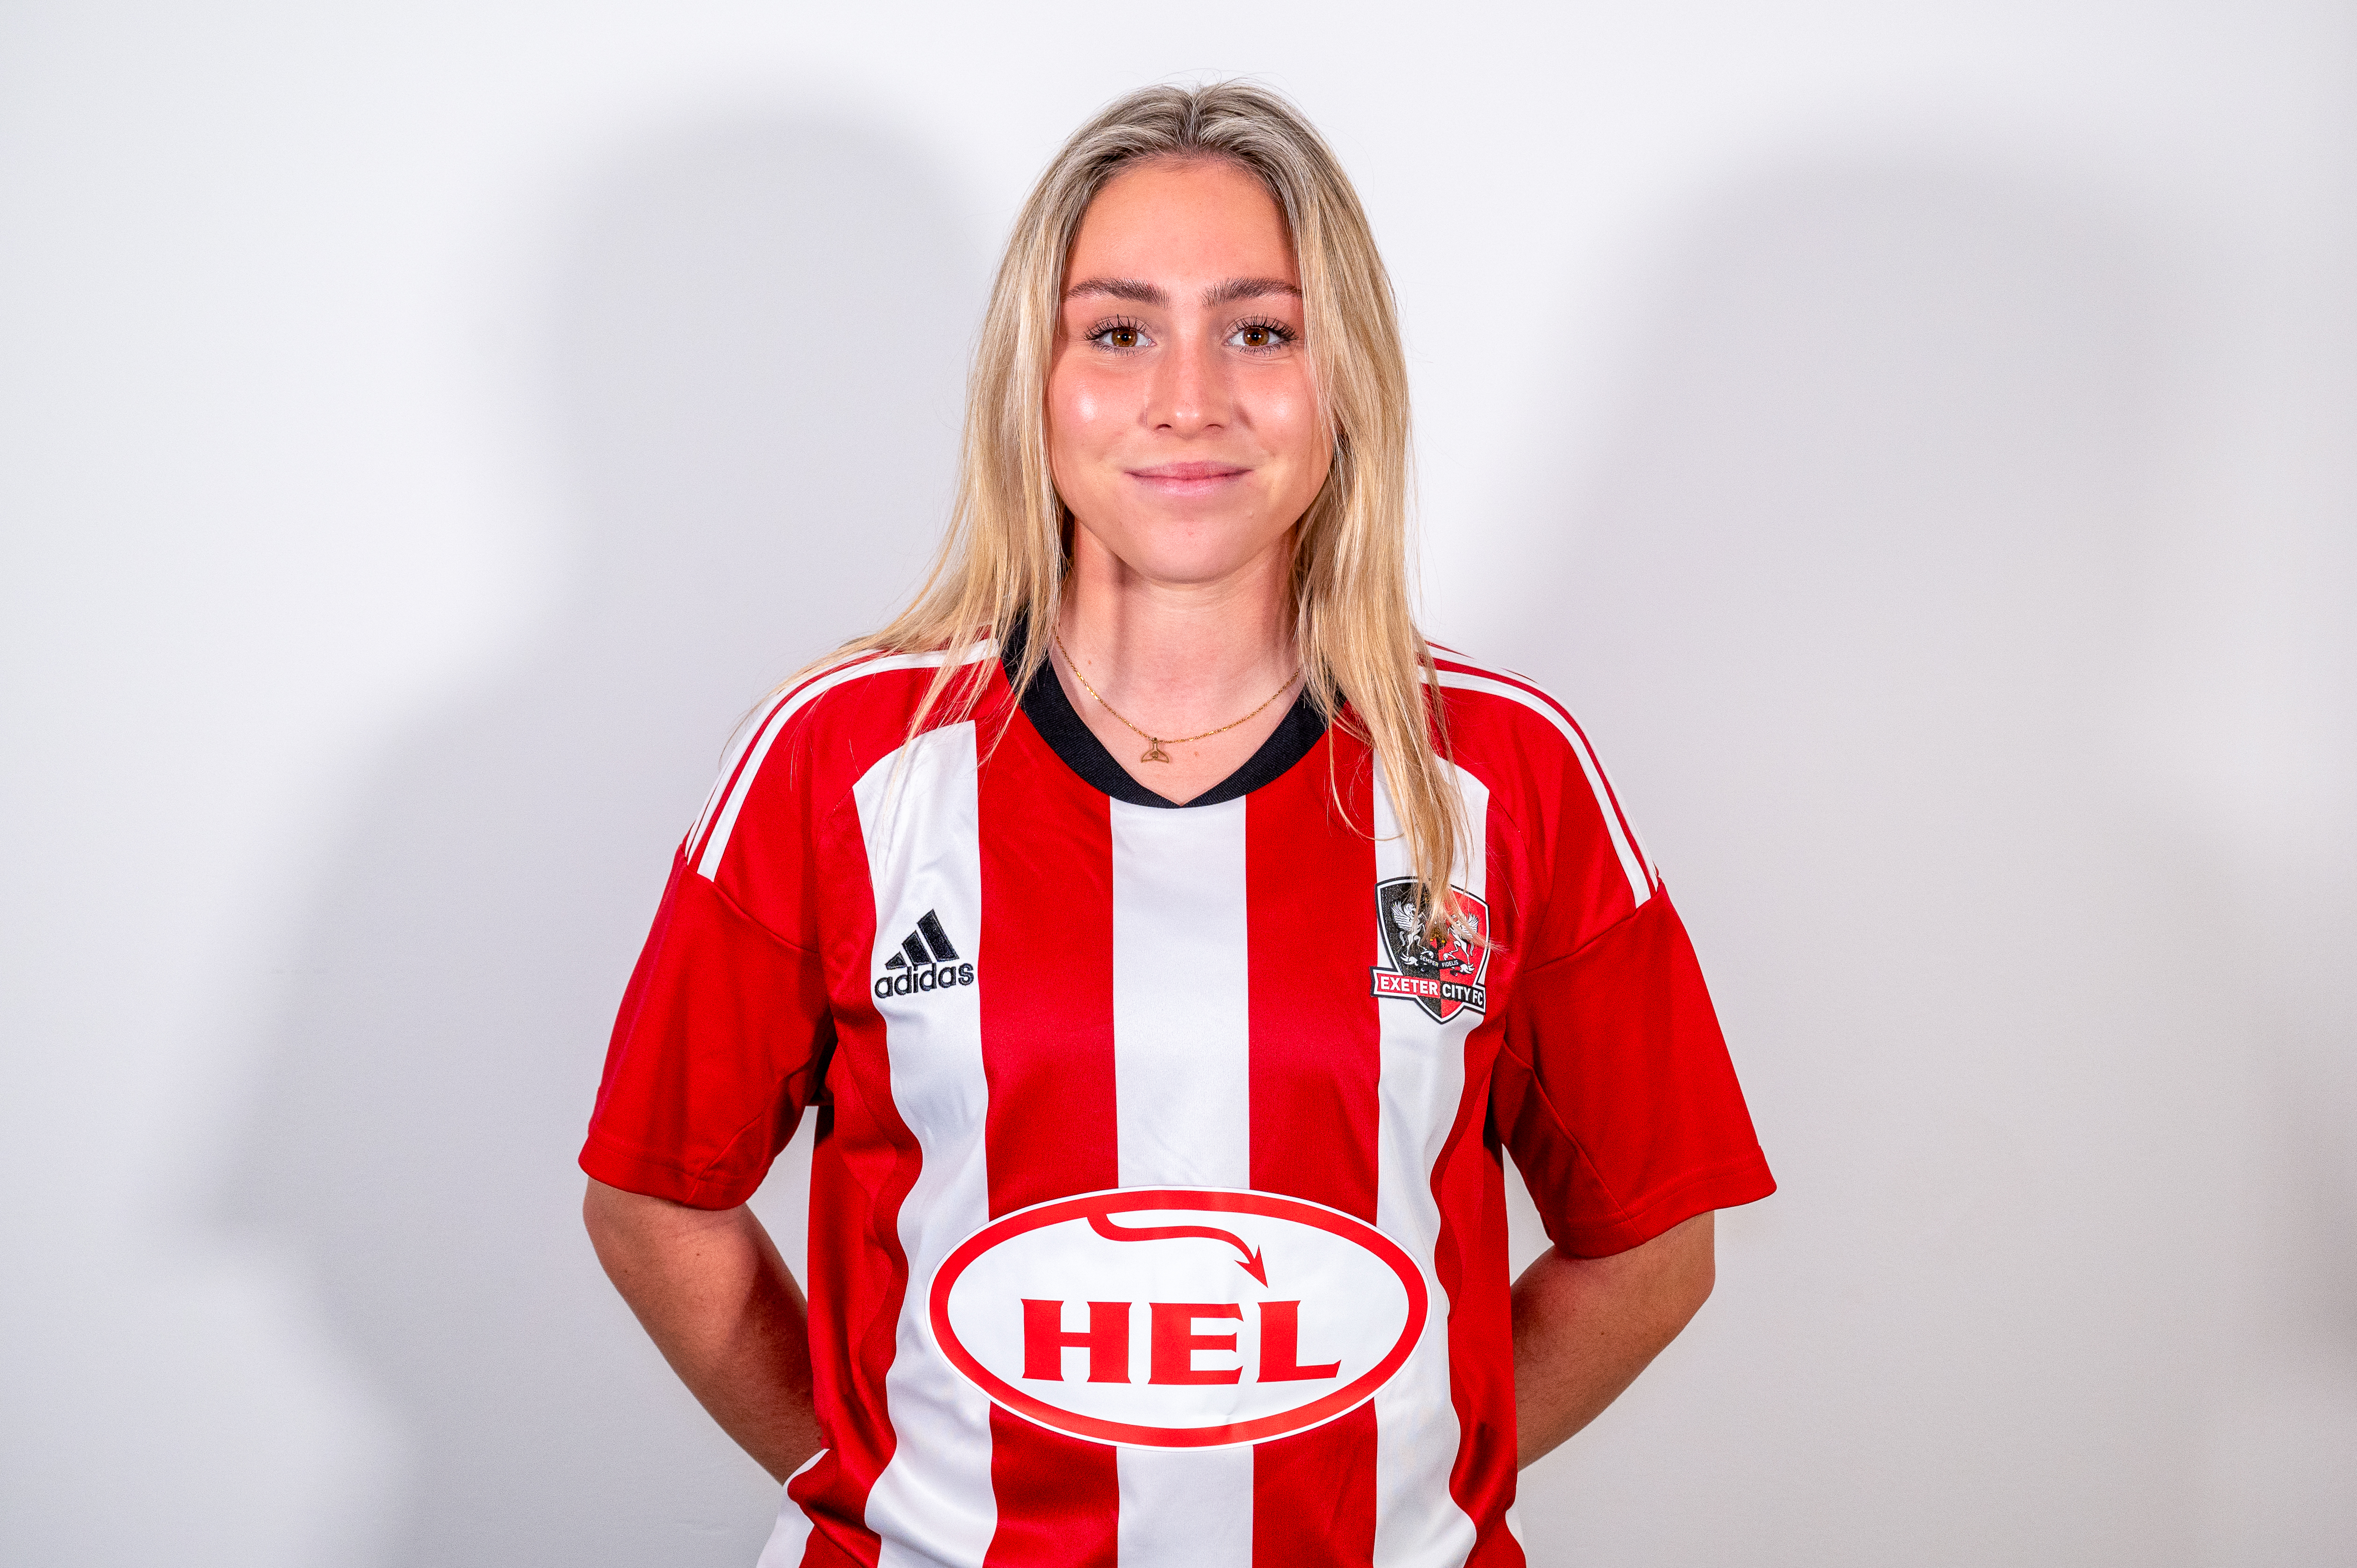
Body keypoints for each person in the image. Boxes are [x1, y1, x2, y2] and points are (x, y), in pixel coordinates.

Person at [580, 81, 1774, 1568]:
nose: (1189, 397)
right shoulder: (842, 763)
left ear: (1346, 378)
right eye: (1120, 329)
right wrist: (876, 1470)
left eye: (1261, 330)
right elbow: (651, 1197)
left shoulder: (1506, 775)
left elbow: (1652, 1244)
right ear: (1038, 376)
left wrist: (1400, 1481)